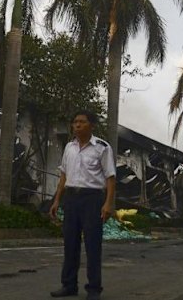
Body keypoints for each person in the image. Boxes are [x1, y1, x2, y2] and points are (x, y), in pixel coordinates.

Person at [49, 111, 116, 300]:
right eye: (75, 122)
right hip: (71, 199)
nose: (77, 125)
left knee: (93, 245)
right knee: (70, 244)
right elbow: (63, 175)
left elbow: (110, 177)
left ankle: (94, 289)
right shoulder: (69, 148)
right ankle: (69, 285)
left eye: (82, 122)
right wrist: (56, 200)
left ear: (91, 125)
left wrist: (108, 204)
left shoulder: (102, 148)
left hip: (92, 199)